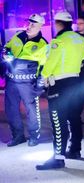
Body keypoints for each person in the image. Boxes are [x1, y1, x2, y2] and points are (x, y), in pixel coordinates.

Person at [36, 11, 84, 170]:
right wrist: (75, 60)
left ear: (58, 24)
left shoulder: (58, 41)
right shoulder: (79, 38)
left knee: (58, 122)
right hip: (76, 82)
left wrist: (42, 78)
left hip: (60, 85)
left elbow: (50, 63)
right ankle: (75, 150)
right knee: (74, 118)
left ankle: (57, 159)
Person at [2, 14, 48, 147]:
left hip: (28, 84)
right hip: (11, 81)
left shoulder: (42, 44)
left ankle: (34, 136)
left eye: (33, 25)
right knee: (11, 109)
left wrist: (40, 84)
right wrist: (6, 52)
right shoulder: (18, 36)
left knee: (31, 110)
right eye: (28, 23)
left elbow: (45, 66)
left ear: (40, 26)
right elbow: (7, 47)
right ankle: (18, 136)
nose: (29, 26)